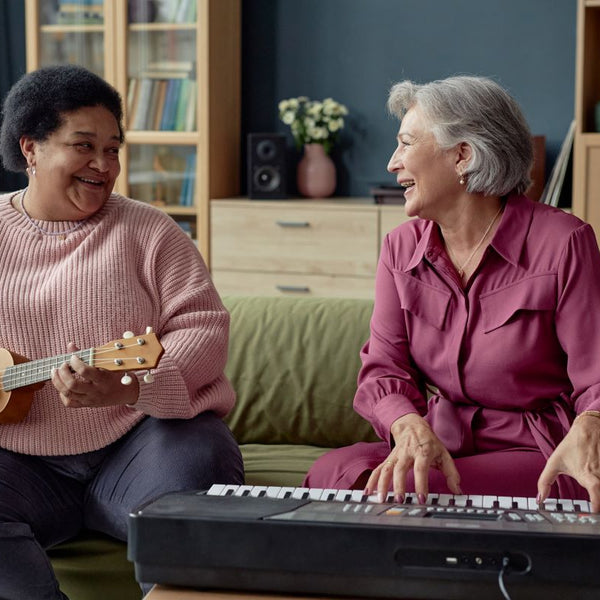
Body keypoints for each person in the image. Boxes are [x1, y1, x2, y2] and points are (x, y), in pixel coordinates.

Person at [0, 64, 244, 599]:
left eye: (113, 148)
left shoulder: (148, 229)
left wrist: (130, 386)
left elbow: (202, 329)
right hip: (18, 460)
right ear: (31, 149)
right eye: (83, 145)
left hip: (142, 441)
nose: (103, 164)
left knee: (200, 462)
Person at [304, 75, 600, 512]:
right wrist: (407, 425)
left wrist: (591, 424)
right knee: (331, 475)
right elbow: (383, 370)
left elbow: (596, 375)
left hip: (539, 455)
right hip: (444, 442)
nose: (392, 163)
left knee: (411, 497)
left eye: (406, 144)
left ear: (462, 155)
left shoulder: (564, 242)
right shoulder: (400, 248)